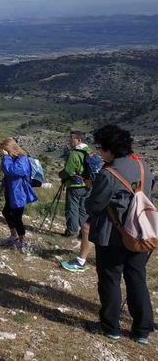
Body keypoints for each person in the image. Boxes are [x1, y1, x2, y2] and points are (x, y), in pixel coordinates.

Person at [80, 125, 154, 344]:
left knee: (110, 279)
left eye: (101, 147)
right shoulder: (144, 167)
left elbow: (94, 205)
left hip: (112, 235)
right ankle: (142, 331)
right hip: (140, 232)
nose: (100, 152)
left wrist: (91, 190)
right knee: (137, 278)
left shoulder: (108, 172)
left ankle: (110, 326)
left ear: (110, 149)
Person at [0, 138, 37, 249]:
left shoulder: (22, 158)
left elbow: (13, 171)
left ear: (9, 148)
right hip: (11, 190)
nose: (3, 152)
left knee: (16, 216)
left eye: (4, 150)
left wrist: (6, 157)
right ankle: (14, 235)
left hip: (19, 192)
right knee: (6, 212)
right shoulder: (14, 157)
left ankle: (22, 240)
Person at [59, 131, 92, 238]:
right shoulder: (89, 152)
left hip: (75, 185)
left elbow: (68, 171)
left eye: (71, 140)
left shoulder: (74, 154)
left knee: (72, 209)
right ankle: (84, 233)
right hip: (87, 185)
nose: (69, 142)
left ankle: (71, 231)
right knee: (83, 210)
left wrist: (61, 175)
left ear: (79, 140)